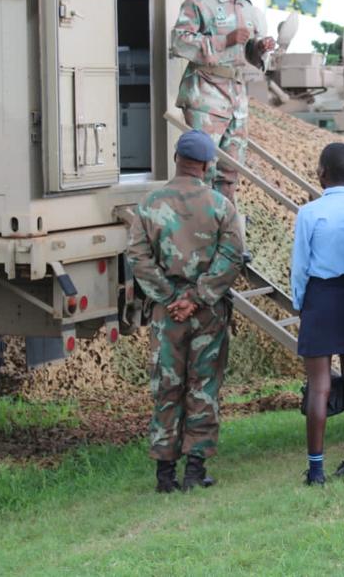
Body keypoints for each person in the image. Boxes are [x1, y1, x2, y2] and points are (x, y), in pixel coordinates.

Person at [127, 131, 246, 493]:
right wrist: (197, 297)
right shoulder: (221, 206)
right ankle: (195, 471)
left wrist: (168, 297)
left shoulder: (148, 204)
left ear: (176, 158)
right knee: (203, 386)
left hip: (166, 314)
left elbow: (138, 257)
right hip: (208, 312)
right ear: (207, 165)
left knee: (167, 386)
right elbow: (232, 257)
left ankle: (165, 475)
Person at [291, 143, 344, 485]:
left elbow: (300, 266)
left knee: (319, 385)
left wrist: (301, 303)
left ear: (322, 172)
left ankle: (316, 468)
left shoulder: (309, 213)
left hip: (320, 296)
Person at [170, 0, 275, 202]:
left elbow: (246, 52)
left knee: (231, 169)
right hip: (206, 94)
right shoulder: (200, 1)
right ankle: (198, 218)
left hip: (236, 97)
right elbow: (179, 42)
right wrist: (224, 40)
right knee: (201, 167)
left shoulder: (247, 7)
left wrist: (259, 48)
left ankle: (223, 217)